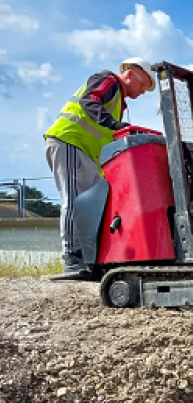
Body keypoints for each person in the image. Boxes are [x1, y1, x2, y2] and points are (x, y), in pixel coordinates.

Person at [44, 57, 155, 275]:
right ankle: (71, 256)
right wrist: (114, 124)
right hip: (70, 141)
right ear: (130, 73)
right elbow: (90, 101)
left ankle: (87, 258)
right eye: (143, 84)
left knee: (89, 206)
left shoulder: (118, 103)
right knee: (74, 199)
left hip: (85, 152)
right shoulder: (108, 81)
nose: (143, 91)